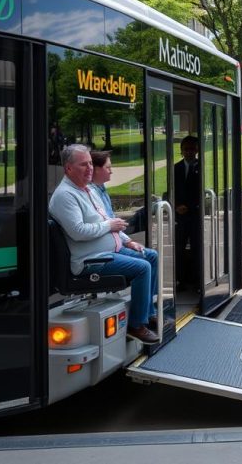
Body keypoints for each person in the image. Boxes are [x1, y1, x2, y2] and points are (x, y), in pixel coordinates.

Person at [49, 145, 160, 344]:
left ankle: (148, 312)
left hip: (109, 252)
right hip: (90, 261)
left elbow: (108, 221)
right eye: (83, 164)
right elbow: (79, 231)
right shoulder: (65, 195)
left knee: (151, 255)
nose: (89, 168)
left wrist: (129, 241)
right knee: (143, 267)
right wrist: (109, 225)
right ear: (68, 169)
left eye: (90, 163)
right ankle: (136, 326)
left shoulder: (88, 189)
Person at [173, 136, 201, 290]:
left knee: (197, 248)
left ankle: (198, 281)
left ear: (197, 150)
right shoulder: (175, 168)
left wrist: (189, 206)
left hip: (196, 215)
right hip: (179, 217)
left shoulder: (202, 167)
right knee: (179, 249)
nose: (189, 152)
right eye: (186, 149)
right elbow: (171, 191)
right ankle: (180, 281)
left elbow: (202, 192)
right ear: (181, 151)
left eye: (192, 149)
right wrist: (176, 206)